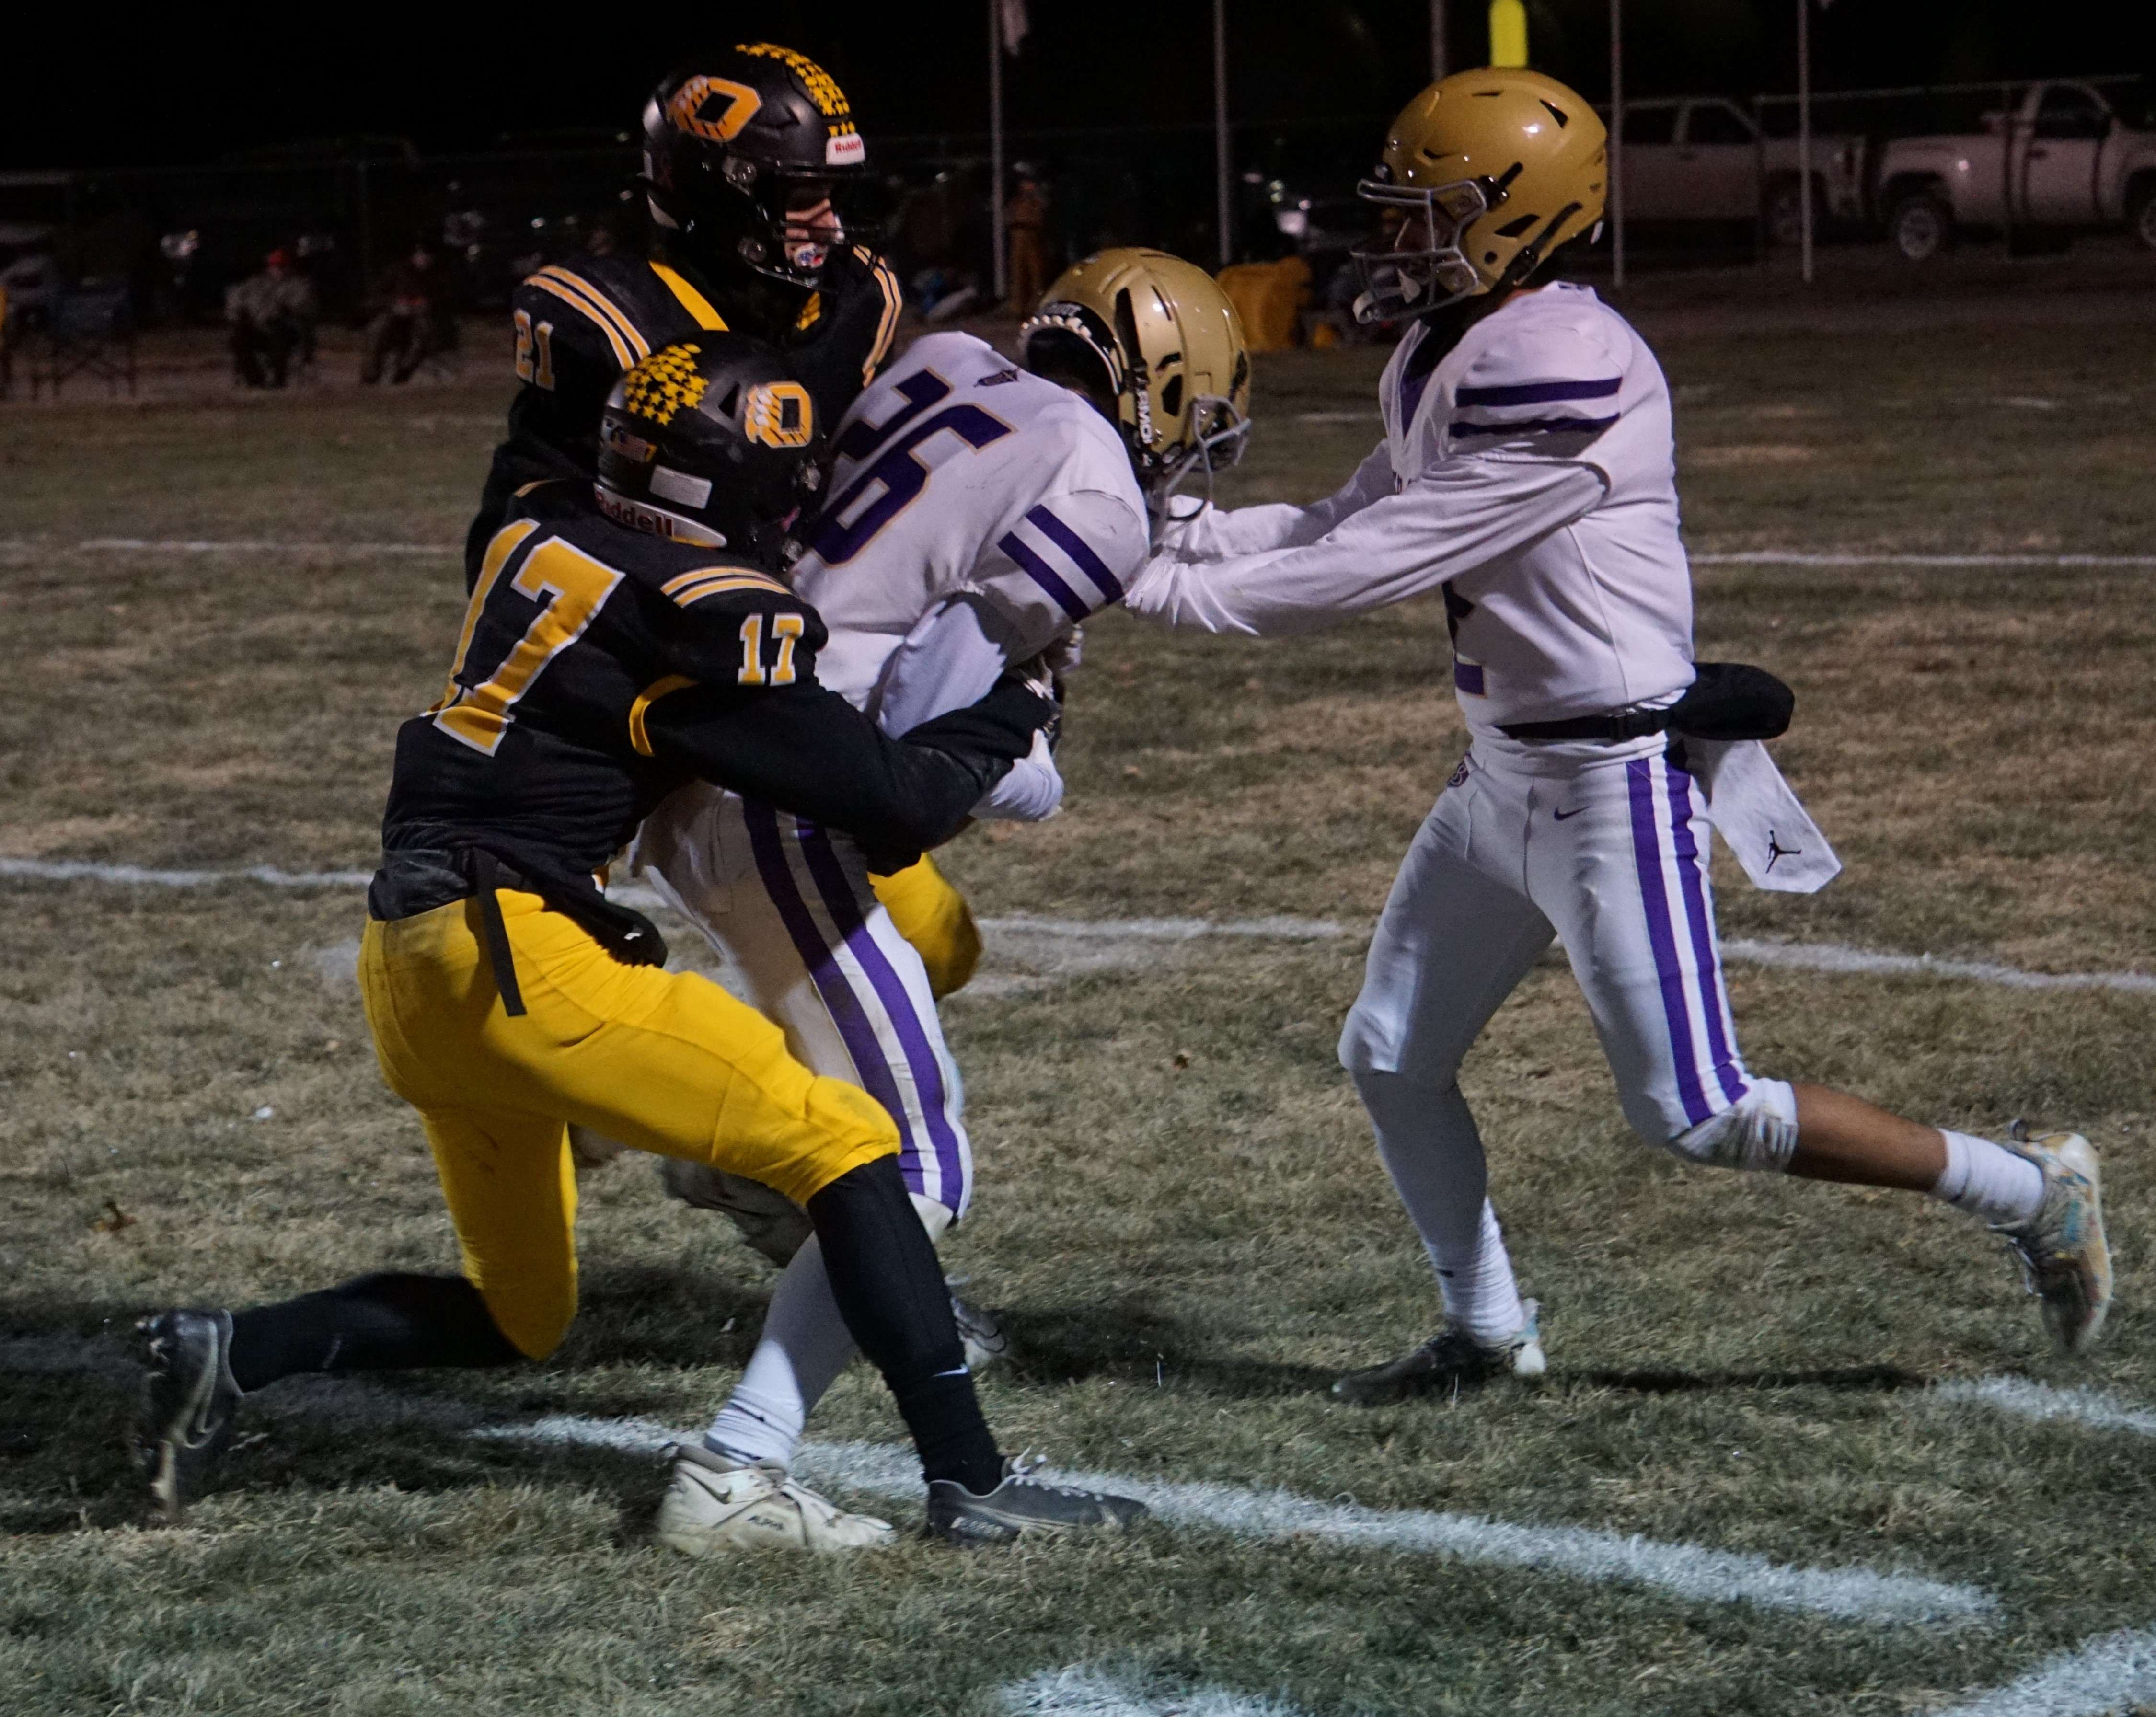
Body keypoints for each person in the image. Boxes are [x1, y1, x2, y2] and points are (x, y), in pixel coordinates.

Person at [1122, 69, 2111, 1400]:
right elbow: (1333, 519)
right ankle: (1485, 1331)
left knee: (1699, 1111)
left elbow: (1370, 565)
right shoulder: (1448, 345)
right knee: (1390, 1052)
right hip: (1501, 774)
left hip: (1611, 782)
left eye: (1438, 213)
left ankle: (2027, 1183)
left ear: (1527, 216)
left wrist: (1154, 583)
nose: (1405, 241)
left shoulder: (1565, 360)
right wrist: (1145, 529)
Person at [135, 336, 1146, 1546]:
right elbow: (897, 801)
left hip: (410, 966)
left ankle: (232, 1348)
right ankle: (971, 1482)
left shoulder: (541, 524)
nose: (793, 505)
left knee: (522, 1315)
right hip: (524, 959)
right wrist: (1014, 708)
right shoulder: (696, 611)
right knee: (855, 1137)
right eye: (780, 481)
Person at [634, 249, 1250, 1554]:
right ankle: (738, 1463)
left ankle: (737, 1153)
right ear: (1159, 389)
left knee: (861, 1105)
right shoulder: (1095, 483)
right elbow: (915, 735)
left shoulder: (945, 359)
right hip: (788, 782)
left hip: (707, 751)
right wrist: (1026, 765)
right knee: (916, 1154)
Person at [462, 43, 904, 582]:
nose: (831, 226)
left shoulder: (855, 298)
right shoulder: (618, 321)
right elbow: (520, 548)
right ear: (718, 188)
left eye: (833, 193)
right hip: (667, 620)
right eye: (804, 194)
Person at [225, 249, 316, 388]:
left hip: (286, 331)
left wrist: (281, 310)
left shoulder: (298, 284)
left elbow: (303, 305)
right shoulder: (256, 283)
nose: (278, 270)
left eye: (281, 266)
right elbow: (236, 299)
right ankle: (254, 379)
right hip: (258, 329)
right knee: (239, 337)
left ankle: (278, 380)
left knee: (280, 332)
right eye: (274, 266)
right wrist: (238, 313)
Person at [361, 243, 450, 385]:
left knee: (425, 334)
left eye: (428, 256)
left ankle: (402, 374)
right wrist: (394, 305)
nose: (424, 259)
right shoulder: (397, 271)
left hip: (422, 318)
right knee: (376, 331)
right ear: (415, 256)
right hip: (394, 314)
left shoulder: (436, 276)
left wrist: (428, 305)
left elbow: (444, 298)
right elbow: (375, 296)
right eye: (422, 255)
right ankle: (371, 376)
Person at [1005, 172, 1049, 312]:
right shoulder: (1016, 202)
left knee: (1036, 275)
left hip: (1032, 238)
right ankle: (1018, 308)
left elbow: (1040, 219)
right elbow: (1009, 218)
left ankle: (1035, 307)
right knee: (1018, 275)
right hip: (1018, 237)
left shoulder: (1037, 202)